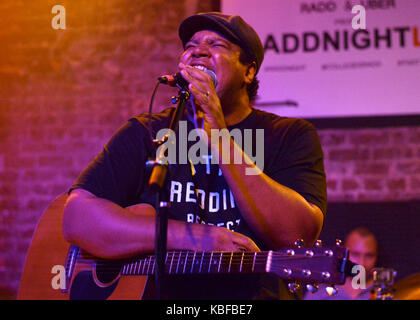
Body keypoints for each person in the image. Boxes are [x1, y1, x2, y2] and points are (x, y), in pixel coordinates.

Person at [62, 12, 327, 299]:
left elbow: (297, 235)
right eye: (190, 45)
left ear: (249, 72)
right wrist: (194, 238)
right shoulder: (145, 132)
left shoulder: (287, 135)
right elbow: (77, 216)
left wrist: (218, 136)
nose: (198, 50)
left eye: (217, 45)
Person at [304, 227, 379, 300]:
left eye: (369, 256)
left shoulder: (384, 291)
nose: (362, 263)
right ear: (343, 254)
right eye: (355, 254)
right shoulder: (319, 292)